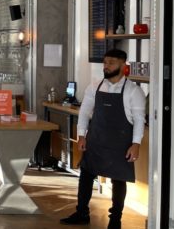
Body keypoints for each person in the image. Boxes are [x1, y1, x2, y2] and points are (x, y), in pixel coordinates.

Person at [60, 49, 146, 229]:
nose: (106, 67)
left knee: (118, 179)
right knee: (86, 174)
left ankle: (115, 220)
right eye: (105, 63)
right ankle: (82, 213)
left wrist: (136, 144)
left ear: (123, 66)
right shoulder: (95, 86)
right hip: (96, 140)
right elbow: (84, 112)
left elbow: (139, 120)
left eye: (111, 63)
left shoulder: (133, 91)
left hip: (120, 143)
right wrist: (81, 135)